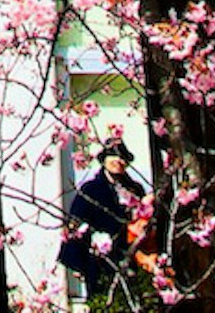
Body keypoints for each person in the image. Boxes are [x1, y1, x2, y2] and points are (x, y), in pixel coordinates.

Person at [57, 127, 145, 307]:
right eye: (113, 156)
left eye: (122, 157)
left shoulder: (135, 190)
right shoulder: (90, 190)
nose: (118, 161)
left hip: (131, 257)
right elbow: (76, 224)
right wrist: (77, 260)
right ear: (104, 160)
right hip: (98, 260)